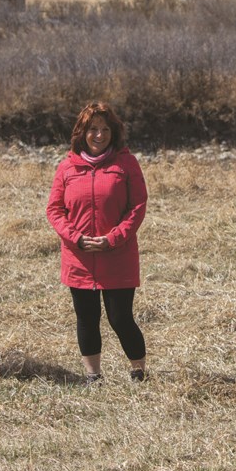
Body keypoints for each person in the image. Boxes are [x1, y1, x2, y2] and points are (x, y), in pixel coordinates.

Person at [46, 102, 148, 385]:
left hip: (118, 256)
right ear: (82, 132)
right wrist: (76, 237)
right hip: (79, 258)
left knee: (120, 317)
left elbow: (137, 206)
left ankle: (138, 371)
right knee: (86, 318)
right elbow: (54, 209)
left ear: (114, 133)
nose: (99, 135)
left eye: (105, 130)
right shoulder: (67, 167)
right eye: (93, 129)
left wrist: (113, 238)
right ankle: (94, 375)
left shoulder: (126, 164)